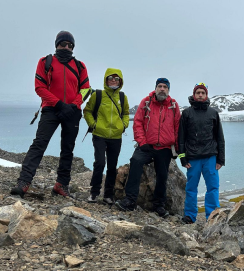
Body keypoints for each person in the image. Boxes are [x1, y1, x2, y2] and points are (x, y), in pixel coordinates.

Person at [10, 31, 91, 198]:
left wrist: (73, 105)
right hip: (51, 109)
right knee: (39, 144)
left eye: (70, 45)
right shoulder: (45, 62)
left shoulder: (80, 66)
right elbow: (40, 87)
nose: (67, 47)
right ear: (57, 45)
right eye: (63, 44)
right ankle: (24, 182)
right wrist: (60, 104)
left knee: (67, 148)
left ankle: (61, 185)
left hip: (72, 111)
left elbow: (85, 89)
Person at [115, 78, 180, 217]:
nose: (162, 89)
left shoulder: (173, 105)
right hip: (146, 145)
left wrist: (177, 148)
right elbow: (137, 122)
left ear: (168, 90)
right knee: (136, 162)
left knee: (162, 175)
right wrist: (142, 141)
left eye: (165, 87)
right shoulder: (146, 102)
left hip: (165, 147)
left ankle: (159, 206)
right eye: (160, 86)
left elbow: (177, 127)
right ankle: (130, 200)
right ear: (155, 88)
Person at [178, 83, 225, 224]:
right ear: (194, 95)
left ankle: (212, 216)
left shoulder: (213, 113)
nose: (200, 95)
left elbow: (220, 137)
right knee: (191, 188)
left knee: (213, 188)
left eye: (202, 93)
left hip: (210, 157)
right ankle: (190, 216)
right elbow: (181, 138)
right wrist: (182, 158)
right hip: (192, 158)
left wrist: (220, 159)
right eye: (198, 92)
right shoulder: (186, 113)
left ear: (206, 95)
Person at [83, 68, 129, 205]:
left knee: (112, 166)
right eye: (111, 78)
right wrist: (93, 124)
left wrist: (124, 125)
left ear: (120, 81)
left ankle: (108, 195)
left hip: (116, 136)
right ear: (106, 80)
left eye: (116, 78)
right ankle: (94, 192)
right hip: (99, 134)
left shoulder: (122, 97)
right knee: (100, 163)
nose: (113, 80)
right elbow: (87, 111)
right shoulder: (97, 95)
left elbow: (126, 113)